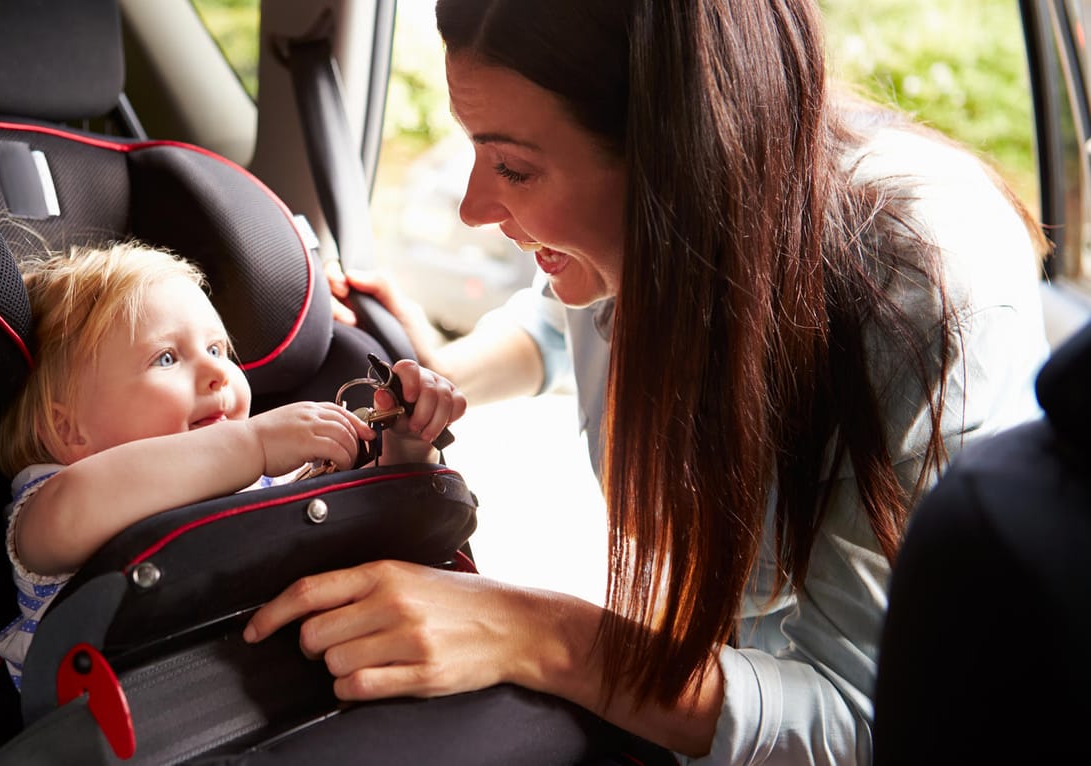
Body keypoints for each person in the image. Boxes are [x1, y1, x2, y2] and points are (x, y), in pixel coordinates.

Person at [247, 0, 1051, 763]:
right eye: (477, 152)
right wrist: (442, 374)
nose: (471, 208)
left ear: (676, 163)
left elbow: (861, 719)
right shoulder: (640, 239)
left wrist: (535, 632)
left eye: (514, 169)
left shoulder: (925, 298)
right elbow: (554, 323)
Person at [0, 241, 466, 689]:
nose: (218, 371)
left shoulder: (264, 482)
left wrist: (405, 448)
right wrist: (252, 442)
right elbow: (79, 508)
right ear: (70, 430)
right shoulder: (51, 502)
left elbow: (362, 538)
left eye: (218, 349)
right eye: (166, 358)